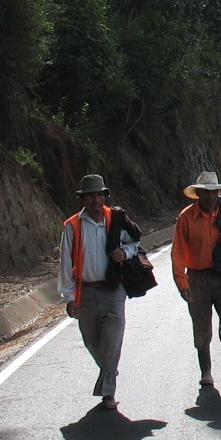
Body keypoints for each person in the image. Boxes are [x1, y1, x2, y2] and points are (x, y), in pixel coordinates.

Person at [58, 174, 143, 411]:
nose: (96, 199)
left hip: (114, 290)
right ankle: (109, 371)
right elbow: (65, 263)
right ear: (83, 199)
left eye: (99, 194)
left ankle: (108, 393)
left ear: (105, 196)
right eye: (90, 195)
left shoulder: (115, 219)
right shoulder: (72, 226)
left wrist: (123, 254)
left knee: (112, 341)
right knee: (92, 342)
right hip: (86, 292)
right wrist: (70, 297)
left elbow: (133, 243)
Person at [172, 170, 221, 394]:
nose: (211, 197)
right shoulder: (186, 217)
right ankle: (206, 373)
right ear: (198, 194)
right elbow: (178, 253)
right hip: (197, 279)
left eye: (214, 193)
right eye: (206, 193)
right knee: (202, 328)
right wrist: (182, 284)